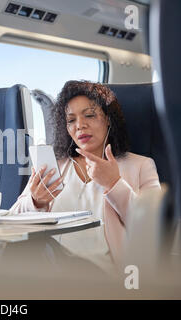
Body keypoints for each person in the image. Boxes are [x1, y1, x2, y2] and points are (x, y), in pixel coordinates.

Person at [9, 80, 161, 273]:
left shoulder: (140, 166)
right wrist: (35, 202)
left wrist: (114, 184)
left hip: (103, 276)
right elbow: (11, 221)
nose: (80, 125)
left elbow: (153, 228)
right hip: (49, 270)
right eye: (71, 120)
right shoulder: (56, 165)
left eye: (89, 115)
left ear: (108, 119)